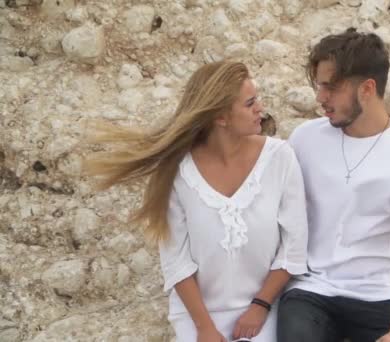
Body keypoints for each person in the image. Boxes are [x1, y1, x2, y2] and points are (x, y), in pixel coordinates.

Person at [85, 61, 308, 342]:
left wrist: (260, 306)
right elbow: (176, 261)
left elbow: (294, 249)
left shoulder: (280, 157)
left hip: (266, 306)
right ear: (221, 118)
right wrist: (204, 328)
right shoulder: (178, 170)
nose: (260, 108)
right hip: (198, 315)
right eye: (250, 103)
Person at [277, 28, 390, 342]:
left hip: (378, 294)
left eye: (331, 87)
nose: (320, 98)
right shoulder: (304, 139)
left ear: (367, 89)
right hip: (311, 289)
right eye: (319, 86)